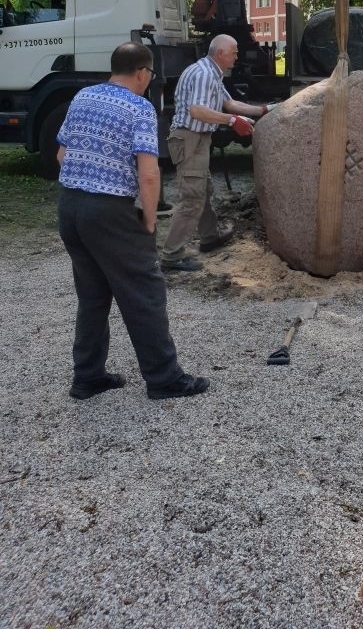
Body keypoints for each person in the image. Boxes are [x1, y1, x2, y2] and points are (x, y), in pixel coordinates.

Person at [57, 42, 209, 401]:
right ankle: (165, 378)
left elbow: (62, 154)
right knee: (145, 292)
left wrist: (85, 184)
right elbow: (149, 174)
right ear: (143, 72)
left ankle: (88, 376)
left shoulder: (82, 97)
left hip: (69, 207)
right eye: (150, 75)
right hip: (108, 211)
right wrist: (150, 220)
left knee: (93, 294)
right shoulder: (139, 107)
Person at [161, 33, 270, 272]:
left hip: (198, 139)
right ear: (220, 53)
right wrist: (232, 121)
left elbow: (229, 104)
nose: (237, 56)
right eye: (234, 52)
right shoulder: (203, 74)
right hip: (189, 138)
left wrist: (263, 110)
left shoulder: (212, 73)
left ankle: (210, 237)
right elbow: (197, 110)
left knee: (204, 189)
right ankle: (171, 255)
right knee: (191, 198)